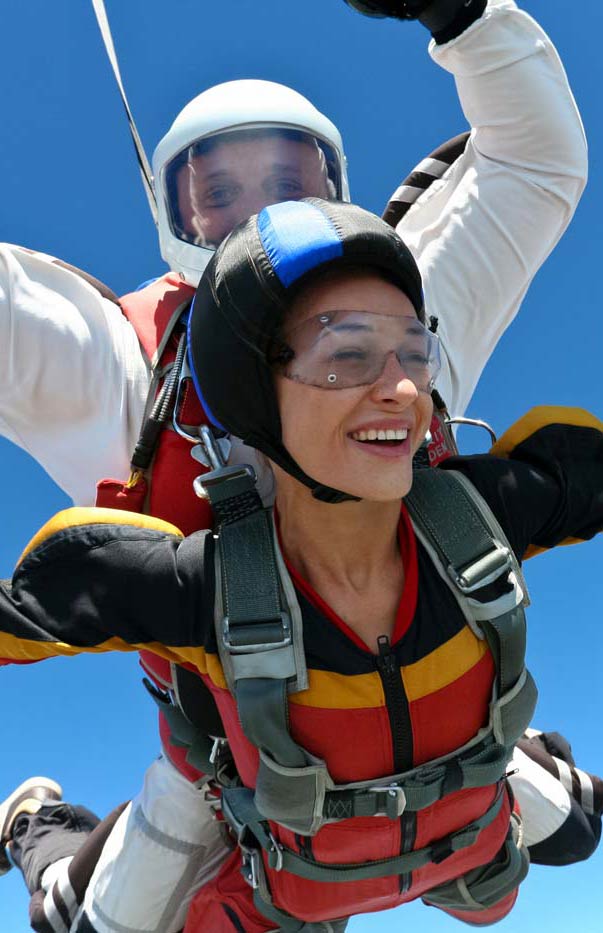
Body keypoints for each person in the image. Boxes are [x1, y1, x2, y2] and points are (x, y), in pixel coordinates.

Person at [0, 0, 589, 929]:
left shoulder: (407, 312)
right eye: (218, 193)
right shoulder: (116, 367)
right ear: (173, 217)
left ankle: (536, 770)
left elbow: (529, 165)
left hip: (439, 699)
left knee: (566, 835)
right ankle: (44, 831)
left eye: (291, 179)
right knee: (88, 920)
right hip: (231, 754)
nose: (260, 211)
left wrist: (465, 16)